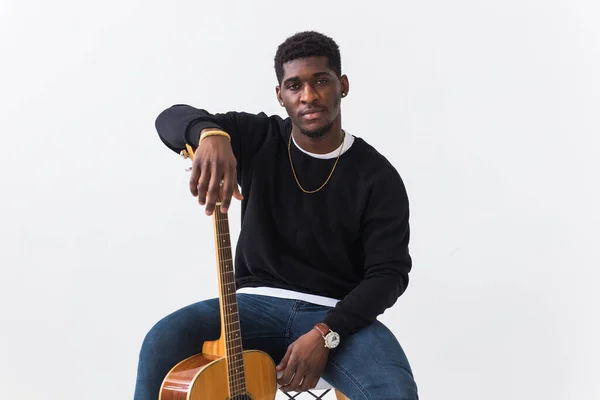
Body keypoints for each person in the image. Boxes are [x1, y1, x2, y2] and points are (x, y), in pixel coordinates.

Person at [134, 30, 419, 400]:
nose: (309, 96)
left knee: (393, 390)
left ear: (342, 85)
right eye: (294, 85)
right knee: (163, 340)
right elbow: (169, 119)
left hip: (337, 318)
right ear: (280, 95)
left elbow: (389, 274)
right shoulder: (260, 137)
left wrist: (326, 334)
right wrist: (210, 134)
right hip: (251, 307)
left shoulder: (377, 176)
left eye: (321, 81)